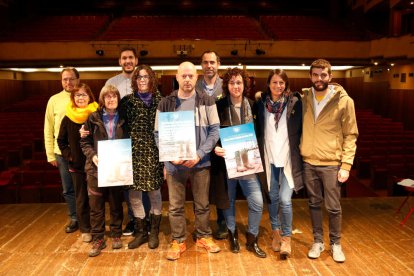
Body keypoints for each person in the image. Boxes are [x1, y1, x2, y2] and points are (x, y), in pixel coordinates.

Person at [154, 61, 221, 261]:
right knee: (175, 206)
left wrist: (200, 153)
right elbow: (158, 134)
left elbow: (214, 130)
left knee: (202, 204)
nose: (187, 79)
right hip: (174, 165)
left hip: (200, 162)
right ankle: (179, 239)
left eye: (191, 76)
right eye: (183, 76)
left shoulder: (207, 100)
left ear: (196, 77)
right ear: (177, 77)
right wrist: (169, 156)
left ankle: (203, 236)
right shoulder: (165, 103)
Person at [300, 59, 358, 263]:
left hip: (331, 163)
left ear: (330, 77)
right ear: (310, 77)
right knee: (314, 204)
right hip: (309, 161)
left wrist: (346, 165)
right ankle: (318, 241)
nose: (319, 79)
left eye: (323, 75)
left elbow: (351, 135)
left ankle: (335, 244)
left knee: (333, 207)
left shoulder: (344, 101)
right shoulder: (305, 97)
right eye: (315, 75)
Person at [212, 67, 266, 258]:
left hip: (248, 162)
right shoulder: (218, 106)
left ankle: (252, 239)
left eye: (239, 82)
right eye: (232, 82)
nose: (236, 86)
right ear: (227, 85)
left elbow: (260, 133)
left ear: (245, 85)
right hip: (226, 163)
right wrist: (215, 147)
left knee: (257, 202)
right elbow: (211, 133)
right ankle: (232, 234)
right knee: (229, 201)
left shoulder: (254, 106)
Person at [256, 69, 304, 259]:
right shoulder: (261, 105)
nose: (278, 86)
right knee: (273, 197)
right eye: (274, 82)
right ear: (268, 84)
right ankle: (275, 231)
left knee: (285, 199)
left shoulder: (294, 104)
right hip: (269, 158)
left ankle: (286, 237)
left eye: (281, 83)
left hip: (287, 160)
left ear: (286, 85)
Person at [119, 65, 164, 250]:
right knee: (135, 195)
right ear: (134, 80)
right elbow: (110, 115)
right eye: (139, 77)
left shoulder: (161, 101)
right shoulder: (127, 101)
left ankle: (154, 231)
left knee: (155, 193)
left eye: (146, 77)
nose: (142, 80)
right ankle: (141, 232)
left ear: (152, 79)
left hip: (154, 153)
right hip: (133, 154)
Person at [80, 85, 127, 257]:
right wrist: (93, 156)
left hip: (117, 167)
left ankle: (116, 234)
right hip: (95, 169)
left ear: (118, 98)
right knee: (96, 207)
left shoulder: (124, 117)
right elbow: (84, 142)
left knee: (115, 203)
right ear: (102, 99)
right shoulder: (92, 118)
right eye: (107, 97)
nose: (111, 99)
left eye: (114, 96)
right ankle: (98, 238)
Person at [105, 46, 141, 236]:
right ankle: (134, 220)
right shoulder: (111, 82)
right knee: (126, 184)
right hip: (120, 140)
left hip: (142, 140)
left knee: (142, 181)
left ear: (136, 60)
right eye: (124, 58)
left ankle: (145, 219)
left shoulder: (144, 80)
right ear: (119, 61)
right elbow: (103, 109)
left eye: (130, 58)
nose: (127, 61)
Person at [57, 83, 99, 243]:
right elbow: (61, 141)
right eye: (77, 95)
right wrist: (70, 156)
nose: (81, 98)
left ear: (90, 97)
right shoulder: (68, 117)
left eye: (83, 95)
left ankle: (97, 227)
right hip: (77, 165)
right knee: (81, 199)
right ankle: (85, 229)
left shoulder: (96, 114)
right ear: (73, 98)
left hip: (96, 163)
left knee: (97, 198)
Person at [195, 50, 227, 240]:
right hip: (199, 143)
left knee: (220, 184)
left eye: (212, 62)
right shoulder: (193, 85)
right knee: (201, 188)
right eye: (205, 62)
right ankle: (202, 225)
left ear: (218, 64)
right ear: (201, 65)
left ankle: (222, 220)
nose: (209, 66)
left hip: (221, 141)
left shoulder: (226, 85)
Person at [44, 67, 80, 233]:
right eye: (65, 79)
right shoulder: (54, 100)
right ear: (61, 81)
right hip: (61, 152)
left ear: (77, 80)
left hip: (82, 152)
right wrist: (50, 153)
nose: (68, 82)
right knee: (68, 188)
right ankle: (74, 217)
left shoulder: (82, 96)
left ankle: (86, 216)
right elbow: (48, 127)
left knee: (85, 187)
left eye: (71, 78)